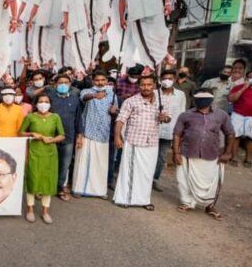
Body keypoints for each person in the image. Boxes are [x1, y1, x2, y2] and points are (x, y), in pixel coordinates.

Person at [173, 90, 234, 219]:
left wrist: (228, 152)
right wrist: (176, 152)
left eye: (205, 98)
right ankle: (186, 202)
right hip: (188, 153)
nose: (202, 101)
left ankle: (210, 205)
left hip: (212, 154)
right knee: (183, 179)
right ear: (194, 99)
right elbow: (177, 134)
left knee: (212, 182)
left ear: (211, 99)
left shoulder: (221, 115)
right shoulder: (185, 115)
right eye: (198, 98)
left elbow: (230, 133)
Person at [113, 75, 170, 210]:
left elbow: (167, 119)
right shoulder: (131, 101)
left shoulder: (163, 101)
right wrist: (117, 137)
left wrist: (164, 118)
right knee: (130, 171)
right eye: (143, 85)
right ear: (139, 86)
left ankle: (144, 200)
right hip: (134, 141)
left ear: (154, 85)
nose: (146, 87)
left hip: (152, 143)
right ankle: (125, 198)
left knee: (147, 172)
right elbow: (120, 120)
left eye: (149, 84)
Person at [71, 70, 118, 199]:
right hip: (87, 132)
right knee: (83, 162)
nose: (100, 82)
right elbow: (83, 98)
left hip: (103, 133)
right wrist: (94, 96)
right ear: (93, 81)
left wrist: (114, 111)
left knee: (101, 164)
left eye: (103, 80)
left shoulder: (112, 94)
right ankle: (78, 188)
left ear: (107, 81)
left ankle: (99, 191)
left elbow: (115, 113)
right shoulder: (87, 91)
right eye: (97, 80)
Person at [19, 94, 65, 224]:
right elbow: (21, 133)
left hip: (50, 153)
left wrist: (52, 139)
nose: (43, 104)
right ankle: (30, 209)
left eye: (46, 101)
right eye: (40, 101)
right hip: (34, 152)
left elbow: (61, 135)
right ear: (36, 103)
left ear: (50, 104)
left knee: (48, 181)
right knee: (32, 179)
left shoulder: (55, 117)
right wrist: (33, 133)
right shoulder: (30, 117)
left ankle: (45, 211)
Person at [48, 74, 82, 201]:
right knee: (49, 163)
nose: (63, 84)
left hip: (68, 137)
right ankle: (46, 187)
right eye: (60, 82)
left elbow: (78, 119)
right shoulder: (49, 99)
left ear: (70, 84)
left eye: (66, 82)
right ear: (55, 84)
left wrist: (79, 135)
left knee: (64, 165)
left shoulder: (75, 100)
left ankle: (59, 188)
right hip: (51, 137)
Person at [153, 69, 186, 191]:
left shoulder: (180, 95)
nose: (167, 81)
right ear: (160, 80)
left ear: (175, 79)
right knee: (149, 155)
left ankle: (154, 180)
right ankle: (144, 178)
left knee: (161, 157)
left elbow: (181, 114)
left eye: (170, 78)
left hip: (169, 131)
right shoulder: (154, 93)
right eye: (164, 78)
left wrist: (180, 132)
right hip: (152, 130)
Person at [27, 0, 65, 68]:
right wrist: (30, 19)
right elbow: (36, 6)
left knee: (52, 48)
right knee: (39, 48)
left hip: (56, 24)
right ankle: (39, 67)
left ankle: (50, 67)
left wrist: (65, 20)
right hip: (42, 23)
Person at [61, 0, 92, 72]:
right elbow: (65, 12)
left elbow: (84, 6)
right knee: (77, 48)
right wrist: (66, 29)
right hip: (73, 25)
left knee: (86, 46)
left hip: (83, 23)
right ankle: (82, 69)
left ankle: (88, 65)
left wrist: (88, 22)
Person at [17, 0, 47, 64]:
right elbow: (23, 4)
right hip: (27, 19)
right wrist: (18, 17)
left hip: (41, 20)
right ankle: (26, 59)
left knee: (38, 42)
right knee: (26, 41)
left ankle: (37, 62)